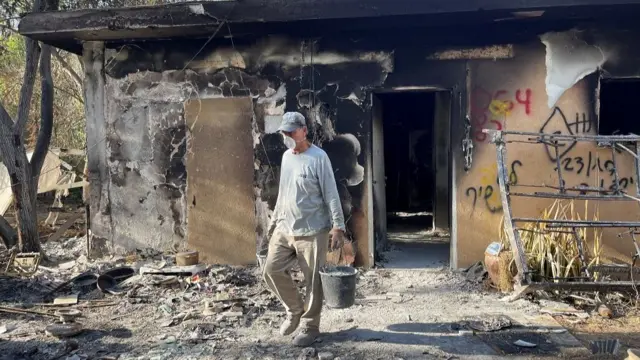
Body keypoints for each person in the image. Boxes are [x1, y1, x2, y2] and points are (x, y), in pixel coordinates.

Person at [263, 111, 346, 347]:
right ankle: (294, 309)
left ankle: (310, 326)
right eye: (285, 132)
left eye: (292, 131)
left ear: (304, 131)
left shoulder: (319, 158)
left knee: (313, 282)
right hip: (285, 227)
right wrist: (274, 222)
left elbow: (331, 193)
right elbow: (284, 192)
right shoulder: (286, 157)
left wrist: (338, 226)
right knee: (270, 269)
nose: (288, 135)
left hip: (312, 230)